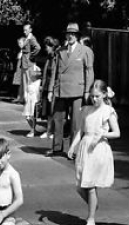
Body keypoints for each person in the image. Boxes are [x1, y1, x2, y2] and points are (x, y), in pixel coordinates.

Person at [67, 79, 120, 225]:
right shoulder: (86, 110)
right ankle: (93, 205)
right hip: (85, 146)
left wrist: (103, 134)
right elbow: (80, 131)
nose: (94, 99)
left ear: (104, 95)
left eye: (97, 96)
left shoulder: (107, 111)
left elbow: (117, 132)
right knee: (80, 186)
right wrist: (73, 146)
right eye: (92, 96)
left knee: (90, 185)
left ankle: (91, 218)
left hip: (98, 149)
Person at [46, 23, 94, 157]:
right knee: (58, 119)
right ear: (66, 35)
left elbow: (90, 72)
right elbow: (54, 72)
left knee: (75, 122)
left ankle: (73, 151)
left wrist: (87, 91)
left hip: (78, 91)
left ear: (77, 36)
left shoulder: (85, 51)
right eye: (68, 34)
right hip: (61, 90)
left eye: (73, 34)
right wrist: (50, 90)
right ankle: (56, 148)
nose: (70, 36)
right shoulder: (59, 51)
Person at [38, 37, 60, 140]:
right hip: (47, 86)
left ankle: (53, 131)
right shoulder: (49, 57)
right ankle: (49, 131)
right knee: (48, 111)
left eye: (47, 47)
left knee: (53, 110)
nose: (45, 49)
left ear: (52, 47)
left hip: (54, 87)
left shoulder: (56, 57)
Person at [17, 23, 41, 104]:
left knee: (29, 82)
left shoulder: (31, 38)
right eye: (23, 30)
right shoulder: (27, 38)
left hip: (28, 63)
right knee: (25, 82)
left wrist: (31, 56)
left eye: (26, 30)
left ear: (30, 30)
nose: (24, 32)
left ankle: (28, 100)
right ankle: (25, 99)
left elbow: (38, 47)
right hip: (25, 63)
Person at [24, 64, 42, 137]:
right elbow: (27, 89)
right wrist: (25, 96)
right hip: (29, 101)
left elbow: (38, 92)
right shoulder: (29, 82)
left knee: (32, 116)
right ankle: (33, 129)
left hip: (35, 101)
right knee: (28, 116)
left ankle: (32, 130)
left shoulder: (38, 82)